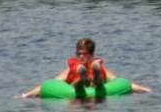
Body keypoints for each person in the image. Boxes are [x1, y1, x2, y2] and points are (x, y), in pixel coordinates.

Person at [21, 38, 151, 99]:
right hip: (78, 89)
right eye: (78, 54)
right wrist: (26, 95)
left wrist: (145, 90)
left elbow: (121, 82)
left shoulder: (99, 66)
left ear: (92, 55)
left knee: (99, 80)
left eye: (84, 54)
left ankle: (92, 77)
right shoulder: (72, 67)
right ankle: (83, 78)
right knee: (78, 83)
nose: (81, 57)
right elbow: (50, 84)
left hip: (97, 87)